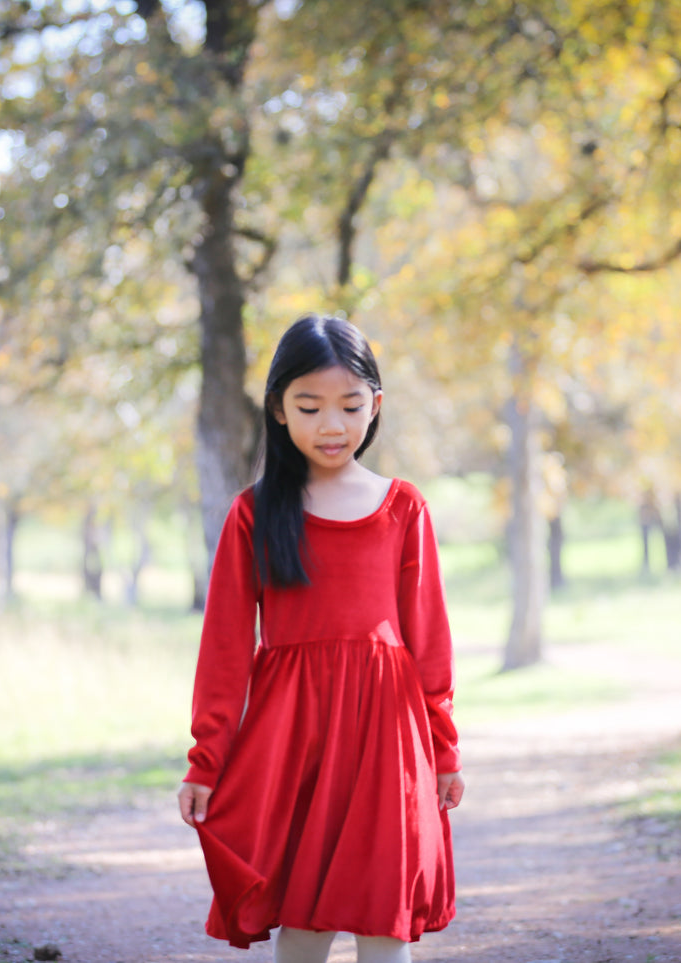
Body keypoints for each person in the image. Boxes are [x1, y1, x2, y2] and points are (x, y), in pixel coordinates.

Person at [177, 314, 464, 963]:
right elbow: (224, 650)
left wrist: (443, 750)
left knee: (382, 915)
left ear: (376, 405)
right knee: (301, 919)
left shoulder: (402, 507)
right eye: (309, 406)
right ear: (278, 408)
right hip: (292, 735)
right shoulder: (253, 513)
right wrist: (206, 759)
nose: (331, 425)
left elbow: (429, 641)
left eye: (349, 405)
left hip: (385, 735)